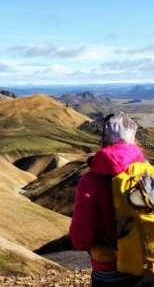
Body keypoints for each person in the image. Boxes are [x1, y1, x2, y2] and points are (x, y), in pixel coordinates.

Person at [69, 112, 150, 287]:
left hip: (109, 272)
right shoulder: (147, 172)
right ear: (133, 138)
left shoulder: (91, 181)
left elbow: (80, 239)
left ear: (104, 140)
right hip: (148, 263)